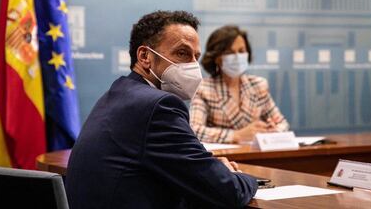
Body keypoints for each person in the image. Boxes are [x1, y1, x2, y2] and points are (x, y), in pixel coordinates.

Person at [66, 11, 257, 209]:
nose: (192, 65)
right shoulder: (158, 107)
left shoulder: (119, 94)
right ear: (145, 56)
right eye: (182, 53)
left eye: (196, 57)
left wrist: (213, 170)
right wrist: (240, 177)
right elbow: (227, 191)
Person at [190, 25, 289, 144]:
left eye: (241, 51)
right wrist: (236, 135)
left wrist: (272, 131)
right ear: (217, 58)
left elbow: (282, 123)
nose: (237, 57)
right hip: (223, 159)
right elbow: (195, 130)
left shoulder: (258, 85)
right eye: (230, 52)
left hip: (255, 154)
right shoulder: (203, 88)